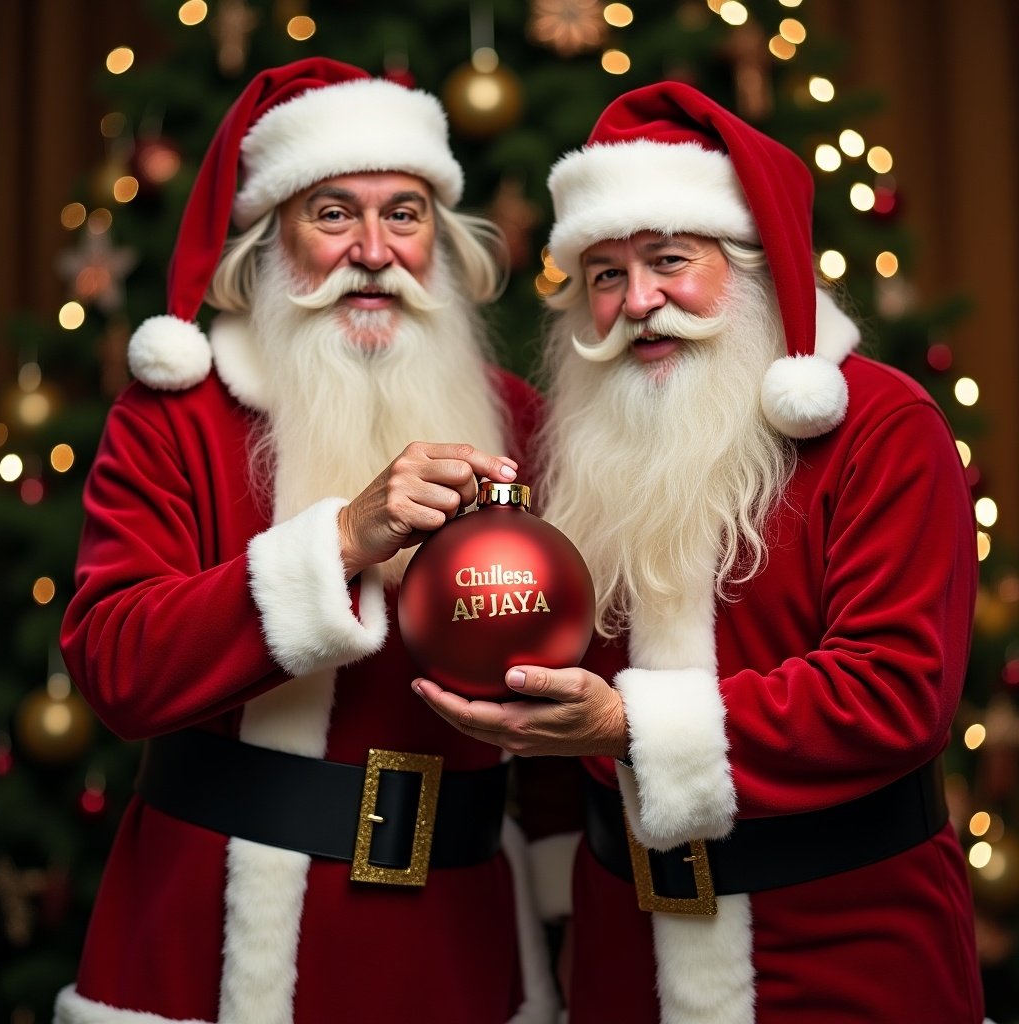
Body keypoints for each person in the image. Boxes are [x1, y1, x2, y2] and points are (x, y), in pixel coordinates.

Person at [414, 82, 985, 1023]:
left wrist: (629, 725)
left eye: (670, 260)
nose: (638, 301)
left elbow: (895, 692)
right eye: (604, 274)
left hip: (843, 945)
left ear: (753, 266)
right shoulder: (578, 448)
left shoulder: (882, 427)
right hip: (620, 951)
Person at [55, 58, 560, 1024]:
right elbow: (115, 665)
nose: (374, 250)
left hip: (460, 945)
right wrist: (342, 539)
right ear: (270, 239)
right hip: (216, 945)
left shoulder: (518, 421)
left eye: (405, 214)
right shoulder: (182, 418)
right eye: (333, 214)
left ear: (441, 242)